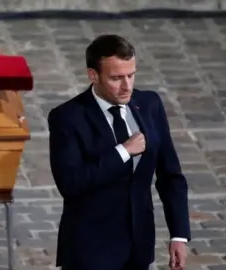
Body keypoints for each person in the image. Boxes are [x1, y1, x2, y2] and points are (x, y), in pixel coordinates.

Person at [47, 34, 191, 270]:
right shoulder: (68, 117)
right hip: (90, 252)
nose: (127, 86)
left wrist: (179, 235)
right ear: (93, 75)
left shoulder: (149, 104)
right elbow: (71, 183)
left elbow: (170, 176)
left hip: (139, 247)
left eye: (131, 75)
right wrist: (123, 151)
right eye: (116, 78)